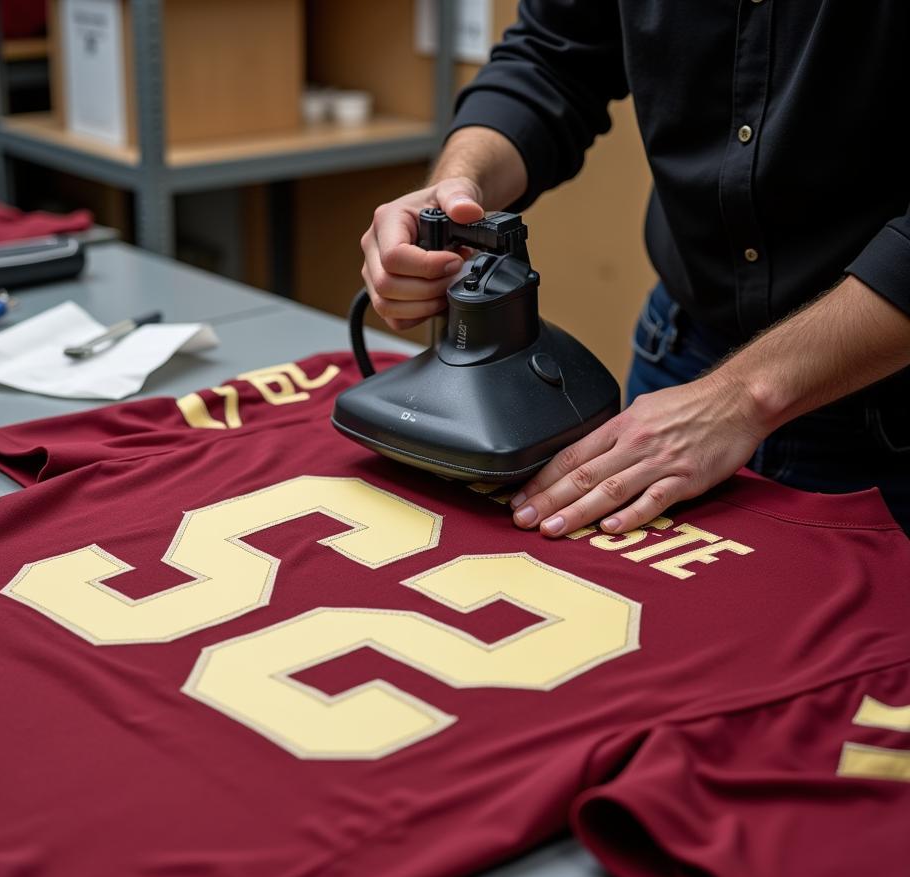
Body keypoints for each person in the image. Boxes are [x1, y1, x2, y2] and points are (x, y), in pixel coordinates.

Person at [360, 1, 910, 535]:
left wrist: (743, 396)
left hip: (886, 408)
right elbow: (553, 59)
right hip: (679, 365)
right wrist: (458, 188)